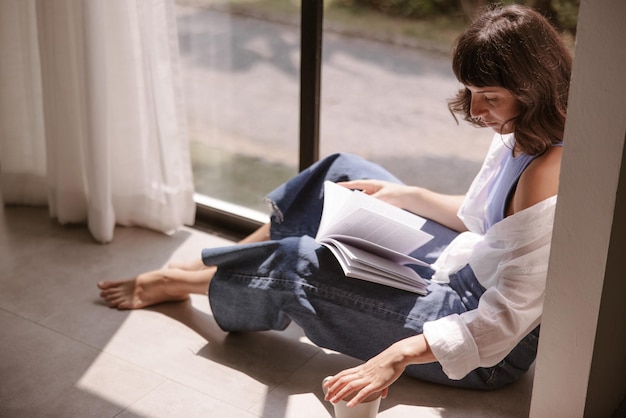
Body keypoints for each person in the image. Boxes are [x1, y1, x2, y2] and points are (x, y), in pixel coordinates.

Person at [98, 4, 572, 408]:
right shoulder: (522, 130)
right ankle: (229, 267)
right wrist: (408, 197)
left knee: (298, 262)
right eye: (470, 93)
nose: (474, 111)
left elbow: (503, 321)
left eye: (489, 98)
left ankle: (182, 279)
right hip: (464, 263)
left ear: (531, 88)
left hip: (479, 343)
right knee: (340, 173)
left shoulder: (550, 175)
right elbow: (484, 219)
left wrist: (398, 355)